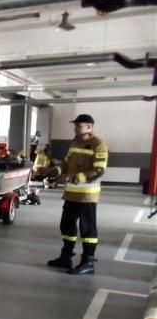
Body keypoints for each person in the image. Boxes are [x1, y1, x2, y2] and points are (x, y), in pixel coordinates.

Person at [47, 114, 108, 275]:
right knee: (66, 225)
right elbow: (66, 164)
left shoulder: (98, 144)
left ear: (89, 127)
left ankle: (88, 262)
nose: (75, 128)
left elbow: (99, 170)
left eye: (79, 125)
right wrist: (53, 171)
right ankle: (66, 256)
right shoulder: (75, 142)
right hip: (71, 194)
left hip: (87, 195)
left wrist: (73, 178)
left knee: (87, 229)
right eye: (75, 125)